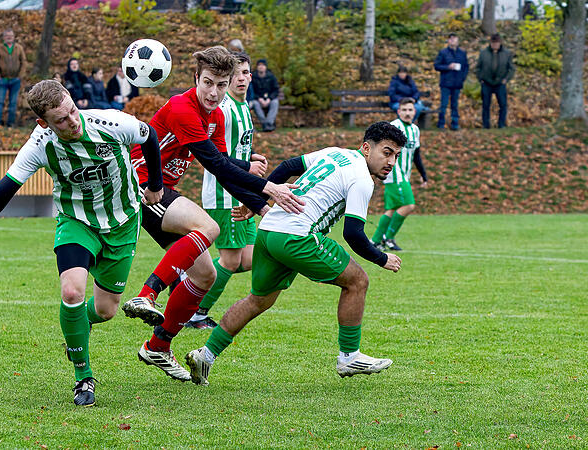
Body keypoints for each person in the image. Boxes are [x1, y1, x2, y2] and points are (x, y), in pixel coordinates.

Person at [0, 79, 164, 407]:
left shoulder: (112, 123)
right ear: (44, 123)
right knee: (71, 292)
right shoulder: (40, 145)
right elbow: (1, 194)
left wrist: (155, 183)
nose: (72, 121)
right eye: (61, 119)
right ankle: (83, 377)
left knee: (105, 310)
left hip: (122, 223)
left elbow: (150, 136)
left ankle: (74, 329)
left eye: (72, 110)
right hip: (76, 222)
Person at [121, 46, 303, 382]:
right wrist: (267, 187)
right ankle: (146, 295)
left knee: (205, 276)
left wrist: (262, 206)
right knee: (207, 226)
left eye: (221, 85)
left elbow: (222, 168)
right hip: (142, 185)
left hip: (163, 192)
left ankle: (158, 346)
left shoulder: (216, 116)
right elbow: (216, 163)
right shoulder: (181, 107)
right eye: (208, 83)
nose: (214, 92)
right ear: (196, 79)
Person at [185, 121, 406, 386]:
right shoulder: (361, 179)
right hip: (296, 236)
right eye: (387, 152)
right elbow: (354, 234)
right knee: (357, 281)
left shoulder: (335, 153)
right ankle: (349, 356)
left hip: (268, 232)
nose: (391, 161)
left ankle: (205, 356)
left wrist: (258, 200)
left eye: (396, 155)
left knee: (259, 300)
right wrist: (382, 258)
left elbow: (289, 167)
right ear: (367, 148)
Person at [185, 51, 265, 329]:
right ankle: (195, 311)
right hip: (224, 194)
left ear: (251, 76)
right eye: (236, 74)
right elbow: (214, 156)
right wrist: (246, 168)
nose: (241, 78)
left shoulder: (244, 107)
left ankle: (186, 280)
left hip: (242, 193)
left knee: (252, 256)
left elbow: (234, 148)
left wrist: (251, 157)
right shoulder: (224, 109)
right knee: (231, 261)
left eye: (245, 73)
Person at [371, 98, 429, 251]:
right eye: (404, 110)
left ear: (415, 112)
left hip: (405, 174)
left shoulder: (415, 130)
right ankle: (387, 238)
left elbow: (416, 154)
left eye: (410, 110)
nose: (407, 113)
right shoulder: (394, 126)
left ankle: (376, 241)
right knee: (408, 205)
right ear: (398, 111)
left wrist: (423, 174)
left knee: (392, 209)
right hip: (394, 173)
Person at [476, 34, 515, 129]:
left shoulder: (507, 53)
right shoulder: (483, 53)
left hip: (500, 83)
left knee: (503, 105)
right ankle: (486, 125)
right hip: (486, 83)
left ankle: (501, 124)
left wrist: (506, 79)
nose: (495, 45)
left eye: (497, 43)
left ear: (500, 43)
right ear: (490, 43)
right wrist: (480, 79)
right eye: (493, 43)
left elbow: (512, 69)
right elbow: (478, 67)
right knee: (485, 105)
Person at [0, 29, 27, 127]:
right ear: (3, 37)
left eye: (11, 35)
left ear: (14, 36)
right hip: (2, 80)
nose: (9, 37)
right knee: (0, 102)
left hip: (15, 80)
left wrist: (20, 76)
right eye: (7, 36)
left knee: (13, 103)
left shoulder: (18, 48)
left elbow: (23, 62)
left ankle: (10, 123)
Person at [434, 33, 469, 130]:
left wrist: (463, 78)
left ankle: (455, 124)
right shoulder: (443, 52)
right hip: (445, 83)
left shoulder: (462, 53)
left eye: (455, 39)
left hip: (457, 83)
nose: (453, 40)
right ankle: (441, 124)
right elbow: (436, 66)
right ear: (448, 41)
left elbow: (466, 67)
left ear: (458, 40)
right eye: (451, 39)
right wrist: (447, 67)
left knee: (455, 105)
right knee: (444, 104)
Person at [249, 59, 280, 132]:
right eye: (259, 65)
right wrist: (259, 98)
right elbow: (251, 90)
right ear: (257, 67)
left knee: (275, 102)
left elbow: (276, 90)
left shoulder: (271, 76)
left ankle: (269, 123)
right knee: (255, 104)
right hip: (257, 99)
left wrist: (269, 98)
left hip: (269, 99)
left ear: (265, 67)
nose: (261, 67)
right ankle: (265, 124)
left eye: (263, 65)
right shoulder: (253, 77)